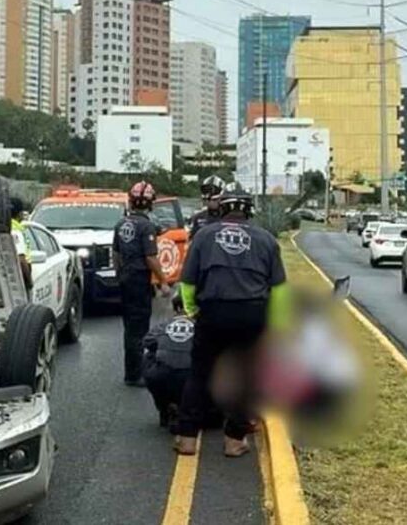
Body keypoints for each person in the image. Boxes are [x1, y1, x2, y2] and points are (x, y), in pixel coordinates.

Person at [174, 188, 291, 457]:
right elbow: (280, 289)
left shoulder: (204, 236)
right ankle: (234, 439)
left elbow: (188, 282)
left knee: (200, 374)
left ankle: (187, 437)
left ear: (221, 209)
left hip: (213, 313)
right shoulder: (266, 240)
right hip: (252, 315)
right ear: (249, 211)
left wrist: (193, 311)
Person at [113, 181, 170, 386]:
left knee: (129, 327)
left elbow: (116, 254)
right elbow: (150, 258)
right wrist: (163, 281)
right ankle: (135, 374)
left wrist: (120, 275)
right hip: (138, 279)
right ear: (149, 203)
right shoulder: (146, 226)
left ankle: (131, 371)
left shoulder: (121, 224)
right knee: (139, 328)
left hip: (126, 278)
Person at [143, 295, 226, 432]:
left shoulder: (164, 325)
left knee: (148, 357)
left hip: (163, 377)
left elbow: (147, 342)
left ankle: (165, 407)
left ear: (177, 309)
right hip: (195, 379)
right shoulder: (206, 326)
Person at [10, 197, 34, 291]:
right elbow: (21, 259)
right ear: (19, 213)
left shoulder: (8, 227)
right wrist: (29, 281)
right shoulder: (15, 230)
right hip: (20, 278)